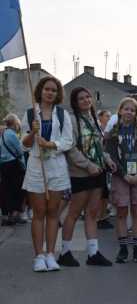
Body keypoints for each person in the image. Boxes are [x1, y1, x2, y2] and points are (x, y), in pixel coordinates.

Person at [58, 87, 116, 267]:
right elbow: (70, 147)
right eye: (81, 98)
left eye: (88, 97)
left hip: (98, 171)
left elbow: (98, 145)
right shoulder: (72, 120)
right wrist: (87, 165)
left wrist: (107, 160)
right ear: (75, 102)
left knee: (92, 213)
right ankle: (65, 252)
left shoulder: (94, 119)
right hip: (81, 173)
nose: (86, 100)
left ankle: (93, 253)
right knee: (74, 213)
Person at [21, 76, 73, 272]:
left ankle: (51, 254)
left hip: (57, 168)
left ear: (57, 94)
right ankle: (38, 256)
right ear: (40, 91)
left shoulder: (62, 114)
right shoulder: (29, 114)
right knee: (38, 214)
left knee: (53, 214)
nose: (50, 93)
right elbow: (23, 145)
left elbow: (68, 141)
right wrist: (33, 134)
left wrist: (51, 144)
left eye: (54, 90)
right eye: (47, 89)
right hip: (36, 167)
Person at [105, 97, 137, 264]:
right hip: (120, 177)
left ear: (136, 113)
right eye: (126, 109)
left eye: (132, 110)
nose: (129, 112)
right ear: (120, 111)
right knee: (122, 213)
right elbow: (111, 155)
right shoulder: (113, 134)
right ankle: (123, 248)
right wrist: (123, 174)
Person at [0, 114, 26, 226]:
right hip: (14, 166)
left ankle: (6, 215)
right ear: (15, 123)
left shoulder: (3, 134)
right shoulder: (12, 135)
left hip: (4, 165)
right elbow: (20, 151)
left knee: (6, 190)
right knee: (18, 190)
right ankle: (15, 214)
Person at [96, 109, 114, 230]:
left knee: (106, 193)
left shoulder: (110, 131)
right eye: (107, 116)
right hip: (99, 164)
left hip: (108, 164)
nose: (109, 118)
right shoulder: (98, 130)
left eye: (110, 116)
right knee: (101, 194)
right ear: (100, 117)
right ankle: (98, 217)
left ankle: (102, 216)